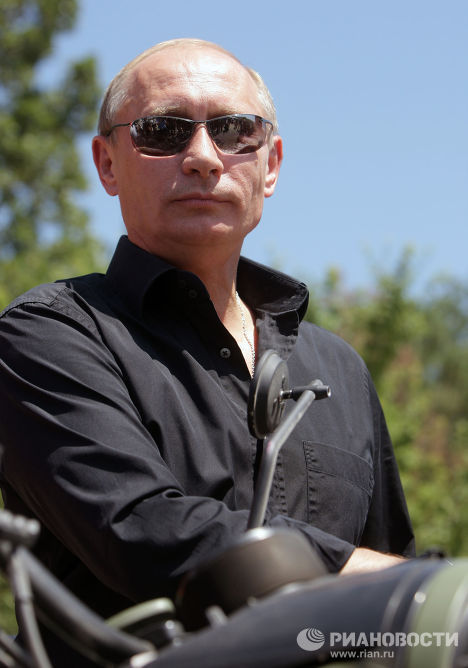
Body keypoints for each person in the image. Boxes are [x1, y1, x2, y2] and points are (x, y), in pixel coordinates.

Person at [0, 37, 414, 659]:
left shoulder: (340, 370)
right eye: (162, 132)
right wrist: (392, 584)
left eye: (234, 131)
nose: (201, 157)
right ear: (107, 164)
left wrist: (412, 591)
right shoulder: (46, 335)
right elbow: (146, 534)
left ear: (270, 164)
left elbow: (397, 594)